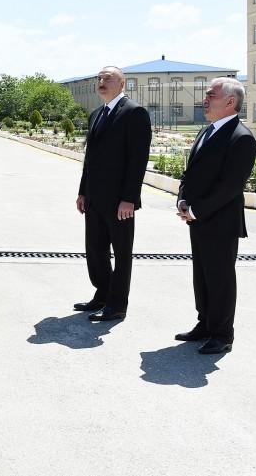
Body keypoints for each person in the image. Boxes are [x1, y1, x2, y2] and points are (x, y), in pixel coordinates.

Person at [174, 77, 256, 355]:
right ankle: (205, 324)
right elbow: (190, 173)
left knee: (220, 279)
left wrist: (196, 210)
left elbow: (230, 186)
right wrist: (183, 200)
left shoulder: (241, 137)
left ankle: (222, 335)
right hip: (197, 219)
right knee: (202, 276)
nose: (204, 99)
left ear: (230, 102)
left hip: (220, 222)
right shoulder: (206, 131)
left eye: (211, 95)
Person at [75, 66, 152, 321]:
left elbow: (137, 160)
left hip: (120, 201)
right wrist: (83, 191)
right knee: (95, 250)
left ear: (123, 83)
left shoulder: (134, 113)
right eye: (99, 78)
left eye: (107, 78)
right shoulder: (96, 114)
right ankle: (102, 293)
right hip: (95, 199)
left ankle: (117, 304)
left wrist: (129, 198)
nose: (101, 81)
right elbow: (90, 158)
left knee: (121, 253)